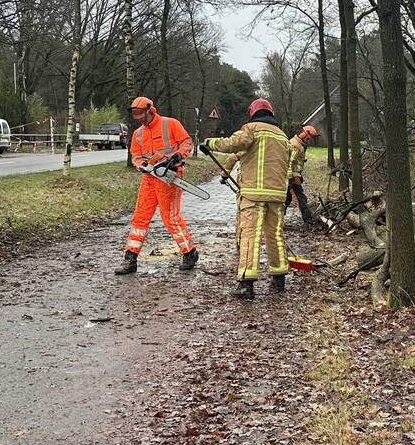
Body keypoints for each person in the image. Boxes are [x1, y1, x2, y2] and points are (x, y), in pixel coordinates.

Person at [200, 98, 292, 299]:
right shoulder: (283, 136)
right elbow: (288, 166)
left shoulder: (252, 129)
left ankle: (246, 283)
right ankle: (279, 278)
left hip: (253, 194)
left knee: (250, 235)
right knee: (275, 235)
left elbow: (234, 144)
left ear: (252, 113)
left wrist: (209, 143)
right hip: (277, 195)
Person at [115, 96, 197, 275]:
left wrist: (177, 156)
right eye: (136, 114)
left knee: (170, 217)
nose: (139, 118)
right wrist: (141, 165)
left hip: (169, 176)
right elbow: (136, 156)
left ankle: (189, 252)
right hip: (149, 178)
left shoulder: (170, 124)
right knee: (140, 217)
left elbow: (187, 143)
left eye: (141, 114)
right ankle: (130, 258)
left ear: (150, 110)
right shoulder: (138, 134)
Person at [287, 125, 320, 227]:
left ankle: (276, 220)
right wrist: (291, 179)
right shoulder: (295, 145)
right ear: (306, 134)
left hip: (294, 174)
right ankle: (308, 221)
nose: (311, 140)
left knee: (288, 198)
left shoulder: (300, 144)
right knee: (300, 198)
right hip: (291, 176)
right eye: (311, 137)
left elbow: (297, 161)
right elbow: (289, 162)